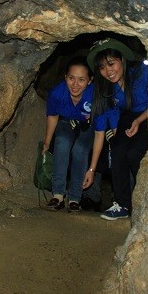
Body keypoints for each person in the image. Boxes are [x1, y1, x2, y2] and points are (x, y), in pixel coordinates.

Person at [82, 38, 148, 220]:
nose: (108, 71)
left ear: (122, 59)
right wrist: (91, 170)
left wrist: (140, 120)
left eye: (111, 63)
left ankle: (146, 201)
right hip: (129, 117)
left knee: (135, 153)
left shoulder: (141, 73)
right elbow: (99, 134)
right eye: (102, 67)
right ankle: (122, 205)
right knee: (117, 151)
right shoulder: (107, 91)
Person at [42, 56, 95, 213]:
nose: (75, 84)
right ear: (65, 77)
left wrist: (92, 168)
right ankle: (58, 195)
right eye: (71, 78)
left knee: (80, 149)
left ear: (90, 81)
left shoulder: (95, 95)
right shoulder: (57, 93)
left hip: (89, 126)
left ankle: (74, 198)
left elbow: (100, 126)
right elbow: (53, 116)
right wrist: (46, 142)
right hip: (67, 122)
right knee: (62, 141)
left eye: (81, 80)